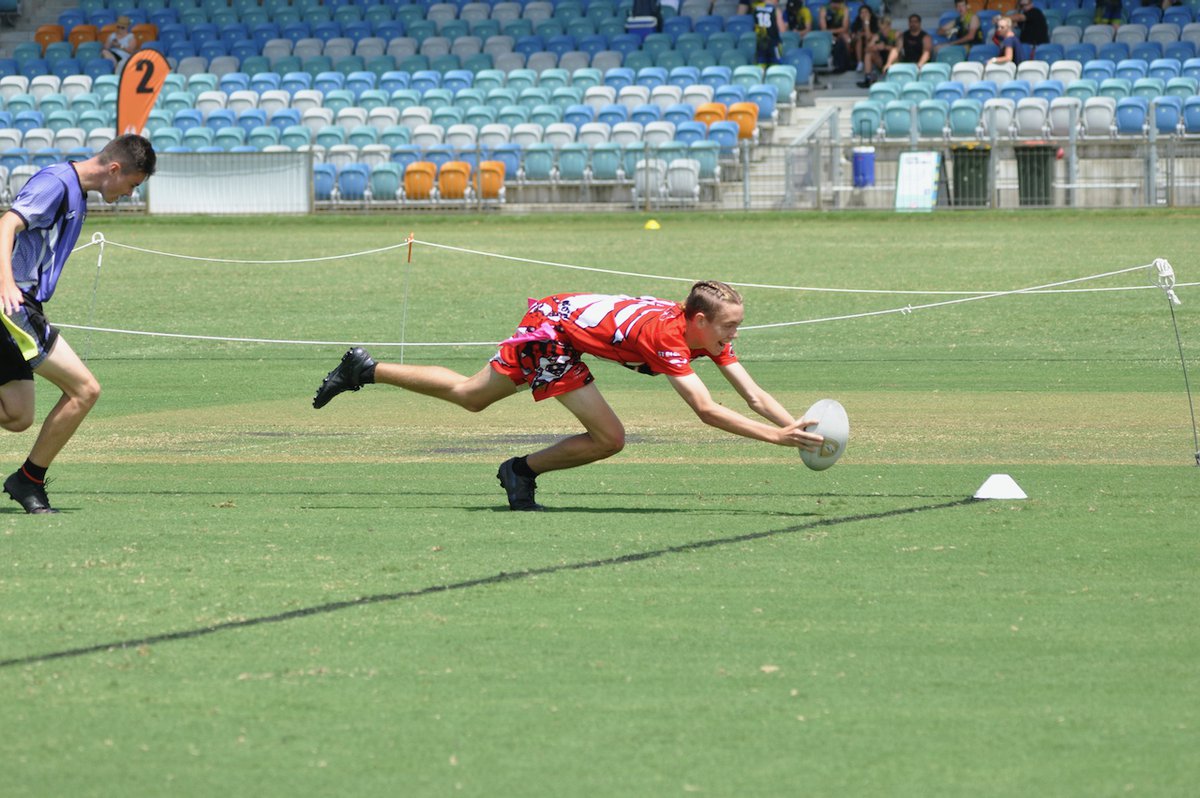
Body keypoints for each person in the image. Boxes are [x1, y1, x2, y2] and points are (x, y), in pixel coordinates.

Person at [312, 283, 825, 511]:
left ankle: (365, 368)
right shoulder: (669, 337)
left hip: (560, 320)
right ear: (698, 321)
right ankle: (520, 471)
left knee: (471, 395)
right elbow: (707, 411)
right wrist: (777, 440)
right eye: (728, 327)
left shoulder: (704, 334)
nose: (732, 337)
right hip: (552, 333)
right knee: (610, 438)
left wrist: (800, 429)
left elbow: (753, 394)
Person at [0, 135, 156, 514]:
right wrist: (5, 282)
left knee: (17, 414)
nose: (130, 194)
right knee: (84, 390)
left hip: (22, 304)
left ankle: (27, 481)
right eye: (132, 185)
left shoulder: (74, 190)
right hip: (12, 305)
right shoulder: (56, 184)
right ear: (115, 169)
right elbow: (6, 225)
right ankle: (28, 481)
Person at [739, 0, 788, 67]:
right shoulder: (775, 10)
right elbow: (782, 30)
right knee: (776, 68)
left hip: (760, 44)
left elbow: (753, 26)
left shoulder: (756, 8)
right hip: (774, 44)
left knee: (760, 67)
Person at [820, 0, 855, 73]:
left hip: (840, 33)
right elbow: (823, 28)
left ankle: (847, 62)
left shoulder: (844, 9)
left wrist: (834, 32)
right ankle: (833, 64)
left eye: (839, 3)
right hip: (827, 35)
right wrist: (831, 34)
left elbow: (845, 28)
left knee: (847, 39)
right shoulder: (824, 9)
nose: (837, 5)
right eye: (835, 3)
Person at [849, 4, 880, 74]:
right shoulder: (857, 22)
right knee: (859, 39)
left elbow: (870, 36)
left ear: (870, 13)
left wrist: (866, 23)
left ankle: (869, 63)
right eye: (862, 13)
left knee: (868, 40)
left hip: (871, 45)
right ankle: (860, 63)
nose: (864, 14)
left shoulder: (875, 22)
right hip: (856, 46)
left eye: (866, 12)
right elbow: (853, 35)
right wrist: (857, 35)